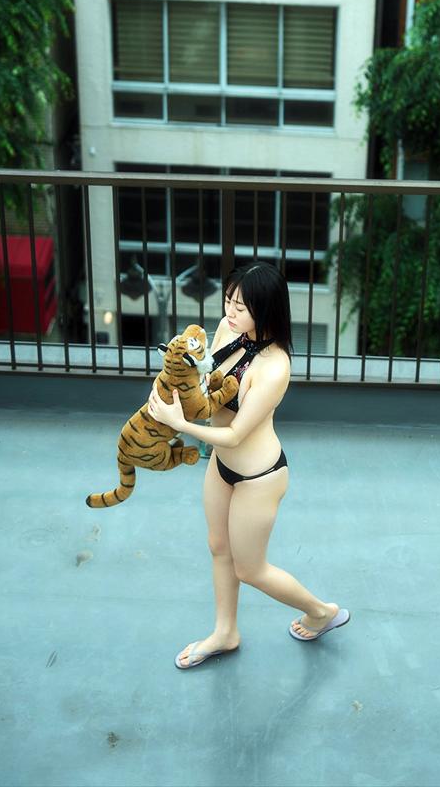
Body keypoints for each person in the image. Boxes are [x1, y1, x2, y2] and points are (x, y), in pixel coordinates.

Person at [147, 260, 350, 669]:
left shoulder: (275, 367)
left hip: (259, 476)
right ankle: (226, 632)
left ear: (266, 309)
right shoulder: (228, 329)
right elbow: (206, 382)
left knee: (250, 569)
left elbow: (236, 434)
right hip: (221, 466)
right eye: (228, 301)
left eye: (240, 306)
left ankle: (321, 612)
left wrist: (180, 424)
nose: (230, 312)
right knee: (218, 547)